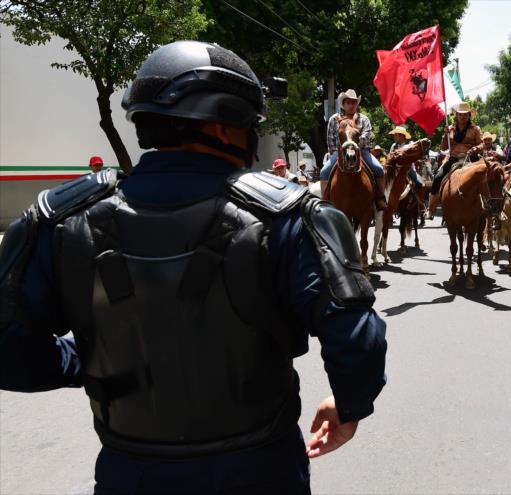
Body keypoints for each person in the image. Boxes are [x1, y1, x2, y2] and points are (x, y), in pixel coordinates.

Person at [0, 40, 387, 494]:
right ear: (228, 125)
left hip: (130, 474)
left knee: (377, 171)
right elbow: (357, 341)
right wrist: (349, 403)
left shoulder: (60, 219)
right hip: (259, 471)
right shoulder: (291, 216)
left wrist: (86, 363)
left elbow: (9, 349)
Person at [319, 89, 387, 209]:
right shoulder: (334, 119)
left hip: (362, 151)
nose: (351, 105)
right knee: (324, 172)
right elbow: (330, 140)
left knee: (379, 169)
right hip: (340, 152)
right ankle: (324, 202)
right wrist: (339, 152)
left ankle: (380, 198)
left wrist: (353, 146)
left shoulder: (364, 119)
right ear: (343, 104)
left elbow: (366, 137)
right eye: (348, 103)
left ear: (357, 104)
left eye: (354, 103)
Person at [428, 102, 482, 216]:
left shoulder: (475, 129)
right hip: (454, 157)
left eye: (465, 114)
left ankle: (489, 208)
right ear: (456, 115)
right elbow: (443, 147)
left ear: (469, 115)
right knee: (437, 177)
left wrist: (476, 149)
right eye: (460, 114)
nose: (463, 117)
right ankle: (431, 207)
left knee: (486, 178)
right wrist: (445, 135)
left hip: (471, 157)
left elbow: (482, 145)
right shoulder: (450, 128)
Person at [388, 126, 424, 190]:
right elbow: (389, 157)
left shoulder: (410, 145)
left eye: (395, 135)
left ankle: (419, 199)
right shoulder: (393, 146)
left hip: (408, 169)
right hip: (395, 170)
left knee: (419, 183)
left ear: (401, 136)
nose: (394, 137)